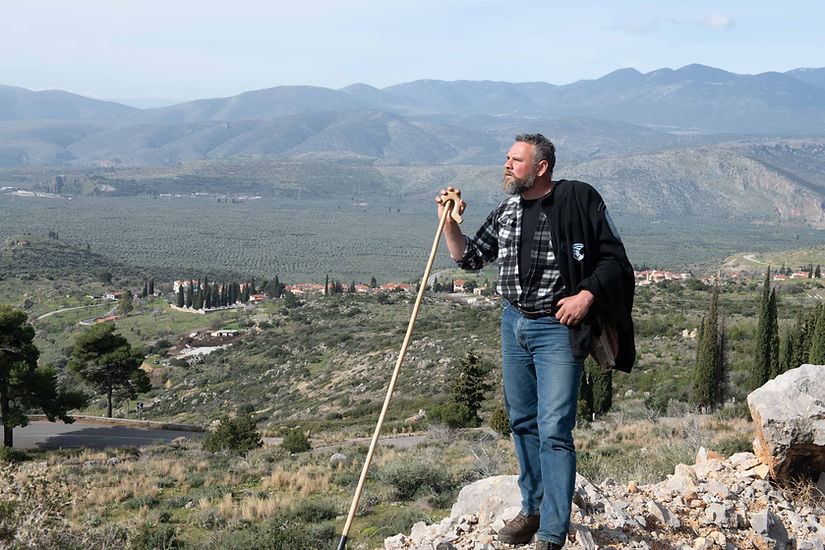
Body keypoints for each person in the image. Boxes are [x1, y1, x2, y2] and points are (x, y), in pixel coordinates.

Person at [436, 134, 635, 550]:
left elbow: (615, 259)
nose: (507, 165)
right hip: (514, 324)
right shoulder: (507, 210)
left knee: (554, 429)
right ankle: (533, 508)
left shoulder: (578, 200)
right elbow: (468, 257)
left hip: (556, 328)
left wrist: (585, 296)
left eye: (516, 160)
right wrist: (449, 222)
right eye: (507, 158)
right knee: (522, 422)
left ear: (541, 167)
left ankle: (552, 532)